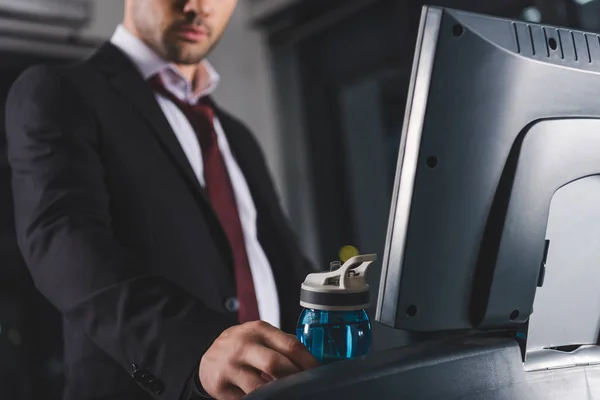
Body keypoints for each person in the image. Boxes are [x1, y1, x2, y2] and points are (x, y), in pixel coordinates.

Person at [4, 0, 319, 399]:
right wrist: (197, 348)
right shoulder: (60, 91)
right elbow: (61, 244)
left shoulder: (235, 135)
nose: (197, 7)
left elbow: (283, 266)